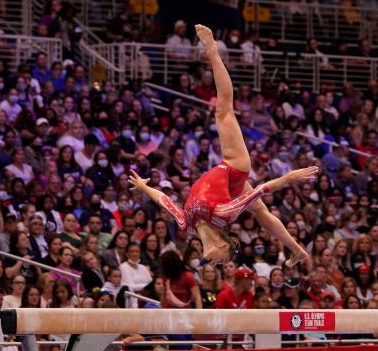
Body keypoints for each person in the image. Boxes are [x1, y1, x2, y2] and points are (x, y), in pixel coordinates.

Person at [129, 24, 318, 265]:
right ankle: (213, 52)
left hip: (231, 183)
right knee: (223, 111)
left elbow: (163, 200)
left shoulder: (185, 224)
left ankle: (297, 250)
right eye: (224, 258)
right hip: (235, 167)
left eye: (223, 261)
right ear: (223, 244)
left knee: (261, 214)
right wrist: (290, 177)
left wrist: (143, 187)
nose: (221, 262)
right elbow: (262, 190)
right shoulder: (223, 216)